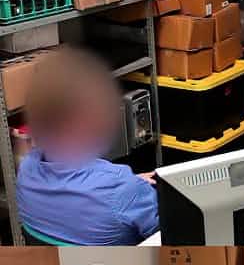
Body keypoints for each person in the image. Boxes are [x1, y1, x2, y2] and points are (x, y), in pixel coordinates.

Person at [16, 48, 159, 245]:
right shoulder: (122, 188)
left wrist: (130, 187)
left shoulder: (26, 171)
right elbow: (174, 234)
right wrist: (131, 189)